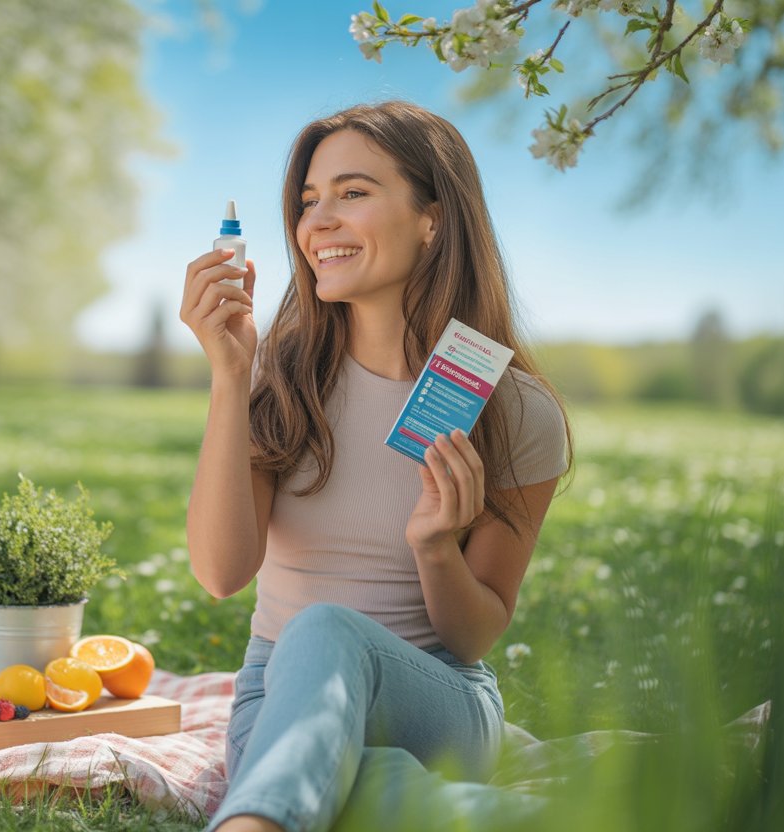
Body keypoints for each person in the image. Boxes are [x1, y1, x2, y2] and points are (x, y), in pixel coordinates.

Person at [180, 101, 573, 832]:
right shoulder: (280, 377)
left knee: (328, 628)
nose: (317, 222)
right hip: (278, 696)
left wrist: (435, 550)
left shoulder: (513, 410)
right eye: (307, 201)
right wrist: (230, 378)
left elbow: (475, 634)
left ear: (433, 218)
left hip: (439, 695)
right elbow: (220, 571)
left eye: (352, 193)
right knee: (369, 782)